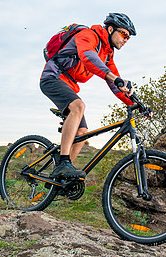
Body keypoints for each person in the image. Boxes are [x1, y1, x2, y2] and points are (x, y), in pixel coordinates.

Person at [40, 13, 136, 179]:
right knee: (79, 106)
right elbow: (88, 56)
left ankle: (62, 176)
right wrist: (113, 77)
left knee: (83, 132)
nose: (126, 39)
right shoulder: (89, 35)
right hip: (52, 78)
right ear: (111, 29)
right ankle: (63, 163)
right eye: (124, 34)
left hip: (69, 86)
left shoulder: (107, 55)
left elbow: (116, 84)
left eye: (129, 37)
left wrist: (134, 103)